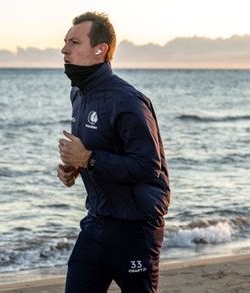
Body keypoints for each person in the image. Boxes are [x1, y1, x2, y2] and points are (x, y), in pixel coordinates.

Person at [57, 12, 171, 293]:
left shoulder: (128, 101)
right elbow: (101, 147)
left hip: (135, 229)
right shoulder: (79, 94)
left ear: (100, 49)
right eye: (65, 42)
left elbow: (147, 167)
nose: (64, 49)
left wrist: (88, 158)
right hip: (97, 222)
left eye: (74, 42)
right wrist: (75, 167)